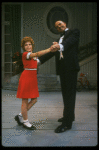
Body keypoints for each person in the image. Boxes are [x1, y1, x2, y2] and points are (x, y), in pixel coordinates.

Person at [39, 20, 80, 133]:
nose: (59, 26)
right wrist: (38, 61)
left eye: (60, 24)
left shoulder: (74, 32)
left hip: (71, 68)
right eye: (57, 26)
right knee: (65, 94)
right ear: (57, 29)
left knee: (69, 95)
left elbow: (70, 42)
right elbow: (51, 52)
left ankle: (67, 124)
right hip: (63, 70)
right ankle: (69, 116)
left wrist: (59, 46)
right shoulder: (59, 39)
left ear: (65, 23)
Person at [14, 36, 53, 130]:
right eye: (26, 45)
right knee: (25, 100)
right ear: (24, 47)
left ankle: (20, 116)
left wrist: (53, 51)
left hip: (32, 79)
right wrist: (49, 49)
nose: (28, 46)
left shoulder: (33, 56)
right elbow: (38, 54)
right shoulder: (26, 54)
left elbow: (40, 60)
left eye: (29, 44)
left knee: (34, 100)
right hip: (26, 78)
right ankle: (25, 122)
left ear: (32, 45)